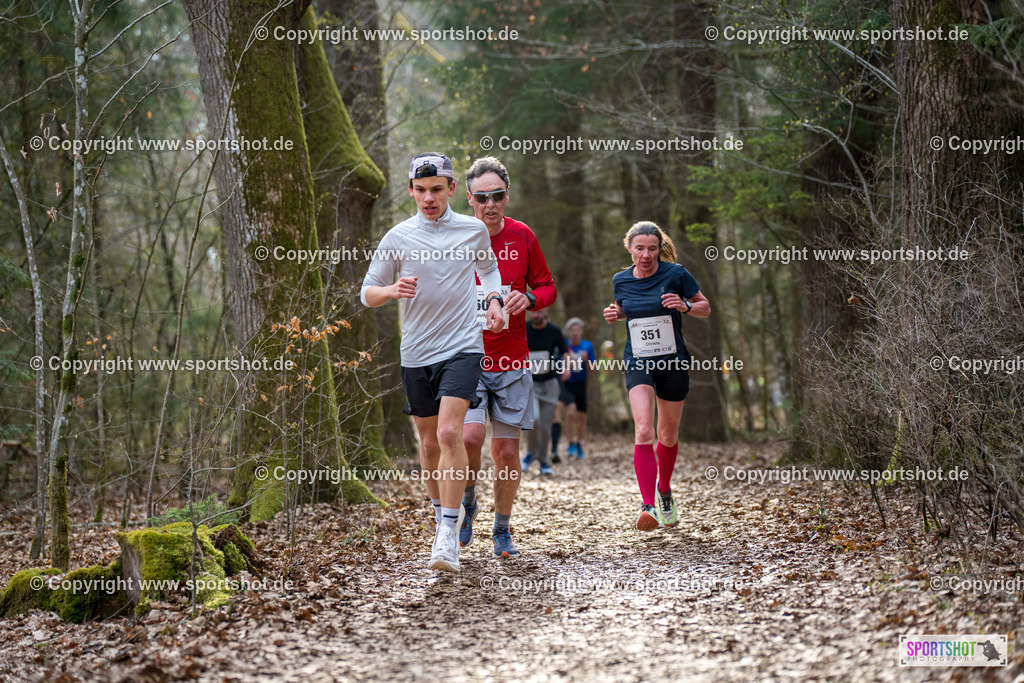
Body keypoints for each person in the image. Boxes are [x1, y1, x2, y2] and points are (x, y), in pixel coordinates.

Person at [361, 152, 505, 572]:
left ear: (451, 190)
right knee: (427, 444)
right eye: (420, 191)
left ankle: (447, 534)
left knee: (448, 433)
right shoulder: (398, 237)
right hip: (417, 352)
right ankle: (442, 513)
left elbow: (490, 272)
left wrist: (494, 300)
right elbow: (367, 292)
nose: (428, 198)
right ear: (410, 191)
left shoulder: (473, 229)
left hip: (463, 346)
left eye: (436, 190)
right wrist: (390, 291)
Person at [461, 156, 557, 558]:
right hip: (465, 356)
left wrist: (530, 298)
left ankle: (502, 529)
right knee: (468, 438)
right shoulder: (457, 237)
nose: (490, 204)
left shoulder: (522, 236)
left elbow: (547, 286)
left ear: (507, 195)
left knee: (505, 452)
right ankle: (467, 500)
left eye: (497, 196)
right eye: (482, 197)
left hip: (512, 359)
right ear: (469, 199)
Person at [603, 221, 710, 531]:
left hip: (672, 360)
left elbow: (705, 308)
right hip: (637, 359)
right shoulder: (621, 280)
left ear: (658, 248)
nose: (646, 255)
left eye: (651, 248)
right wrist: (616, 314)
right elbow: (627, 310)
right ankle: (647, 504)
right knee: (644, 429)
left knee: (668, 434)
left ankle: (664, 489)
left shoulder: (675, 274)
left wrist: (686, 305)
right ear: (630, 249)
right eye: (640, 249)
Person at [524, 309, 570, 475]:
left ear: (546, 312)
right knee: (533, 420)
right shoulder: (523, 328)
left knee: (545, 426)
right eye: (533, 312)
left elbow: (565, 352)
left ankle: (543, 461)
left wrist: (566, 367)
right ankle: (530, 453)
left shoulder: (554, 330)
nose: (535, 315)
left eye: (539, 312)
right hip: (530, 383)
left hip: (550, 384)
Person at [552, 317, 595, 462]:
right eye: (572, 330)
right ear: (568, 332)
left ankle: (579, 444)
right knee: (570, 412)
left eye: (577, 330)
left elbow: (592, 370)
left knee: (582, 416)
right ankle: (570, 443)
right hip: (567, 384)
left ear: (581, 332)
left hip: (581, 384)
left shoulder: (587, 346)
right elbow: (559, 365)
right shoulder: (565, 346)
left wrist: (586, 359)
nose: (575, 333)